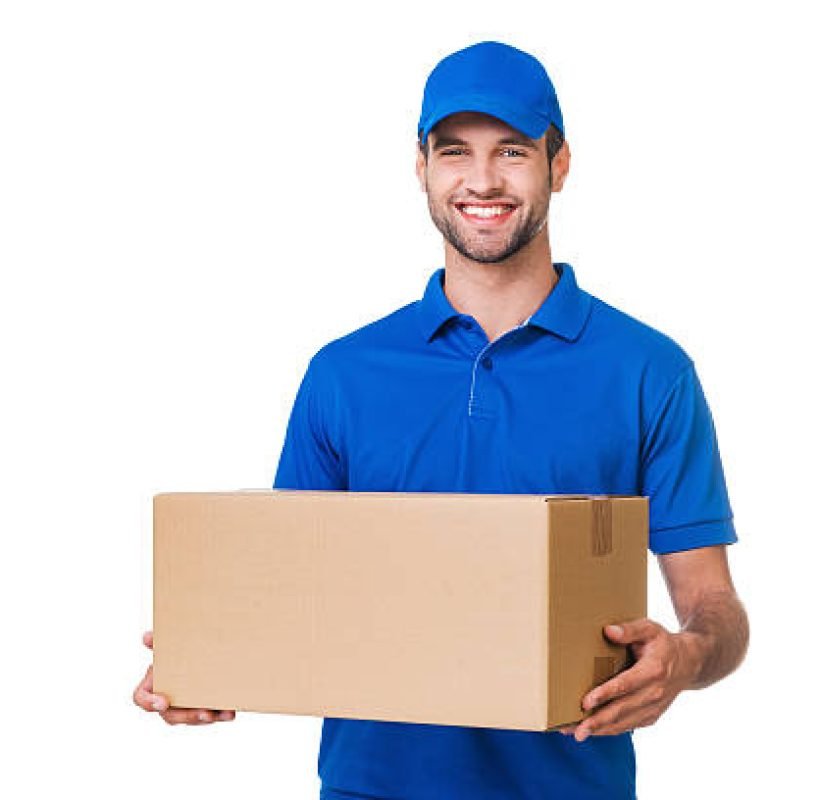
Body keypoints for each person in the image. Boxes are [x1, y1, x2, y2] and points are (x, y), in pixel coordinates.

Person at [134, 40, 749, 799]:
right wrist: (207, 660)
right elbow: (291, 595)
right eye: (454, 152)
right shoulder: (343, 374)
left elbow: (715, 607)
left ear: (559, 165)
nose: (483, 180)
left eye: (513, 151)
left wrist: (684, 659)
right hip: (371, 787)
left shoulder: (648, 371)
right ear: (421, 168)